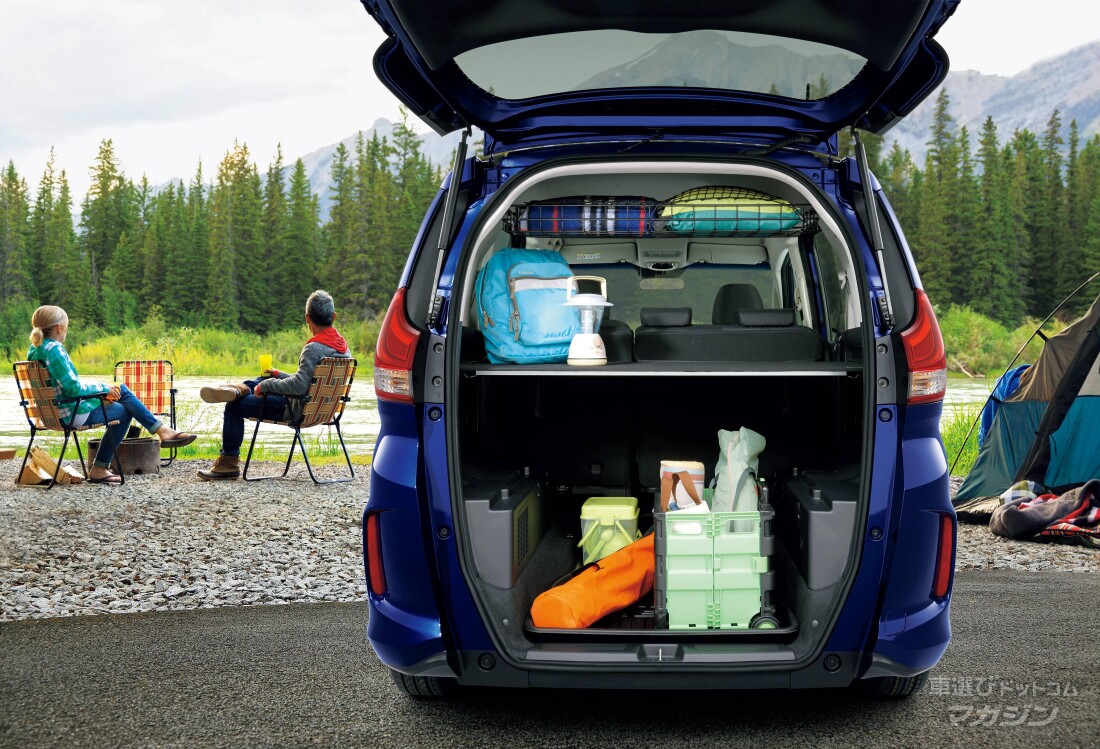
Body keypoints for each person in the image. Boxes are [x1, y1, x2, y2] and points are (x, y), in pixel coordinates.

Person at [26, 305, 197, 485]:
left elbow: (65, 387)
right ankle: (102, 467)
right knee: (124, 410)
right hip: (70, 413)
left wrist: (103, 391)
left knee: (119, 390)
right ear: (60, 327)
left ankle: (162, 431)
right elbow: (73, 389)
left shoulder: (35, 349)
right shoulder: (54, 350)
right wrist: (103, 388)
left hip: (50, 414)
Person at [197, 290, 351, 480]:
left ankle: (228, 464)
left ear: (307, 318)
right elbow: (310, 383)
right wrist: (278, 375)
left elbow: (299, 387)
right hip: (323, 410)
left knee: (234, 406)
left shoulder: (313, 348)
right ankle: (237, 389)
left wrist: (267, 386)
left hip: (296, 410)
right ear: (333, 316)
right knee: (265, 379)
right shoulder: (344, 350)